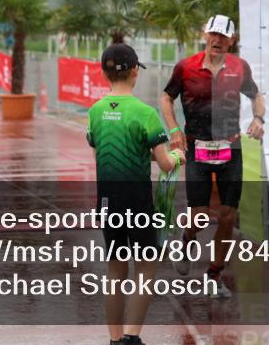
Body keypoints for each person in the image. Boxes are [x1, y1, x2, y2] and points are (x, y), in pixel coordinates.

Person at [161, 15, 265, 299]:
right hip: (197, 147)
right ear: (204, 34)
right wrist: (173, 129)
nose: (217, 40)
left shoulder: (239, 67)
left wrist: (258, 119)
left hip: (231, 147)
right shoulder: (186, 67)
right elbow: (166, 98)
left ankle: (214, 274)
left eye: (224, 36)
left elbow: (256, 95)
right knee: (199, 217)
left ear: (232, 40)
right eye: (213, 34)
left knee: (229, 216)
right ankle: (186, 239)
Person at [88, 43, 184, 345]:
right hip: (138, 202)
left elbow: (100, 150)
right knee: (145, 267)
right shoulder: (146, 114)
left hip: (107, 200)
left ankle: (115, 339)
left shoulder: (95, 111)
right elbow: (165, 162)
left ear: (104, 73)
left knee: (116, 269)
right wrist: (179, 156)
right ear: (133, 72)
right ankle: (131, 337)